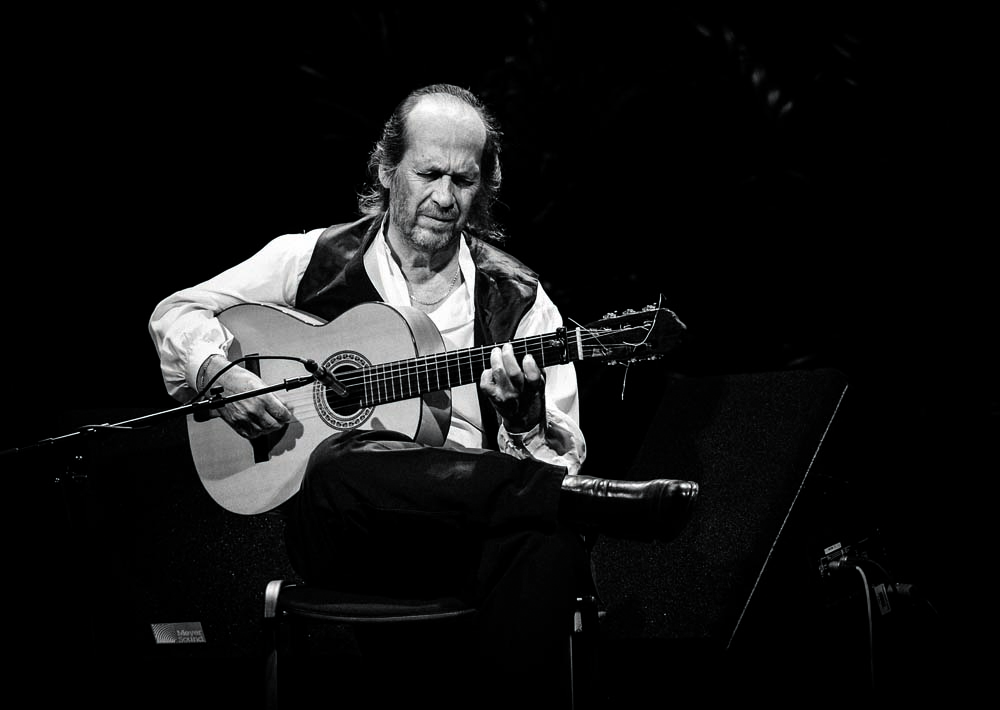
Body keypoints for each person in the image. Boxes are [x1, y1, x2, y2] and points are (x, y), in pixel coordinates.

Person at [149, 83, 698, 707]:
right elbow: (176, 312)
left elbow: (555, 454)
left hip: (462, 540)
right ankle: (585, 503)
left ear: (483, 188)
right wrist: (219, 375)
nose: (444, 197)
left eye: (463, 180)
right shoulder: (310, 259)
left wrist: (521, 425)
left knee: (548, 541)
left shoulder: (518, 301)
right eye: (429, 174)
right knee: (341, 461)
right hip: (349, 535)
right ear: (388, 170)